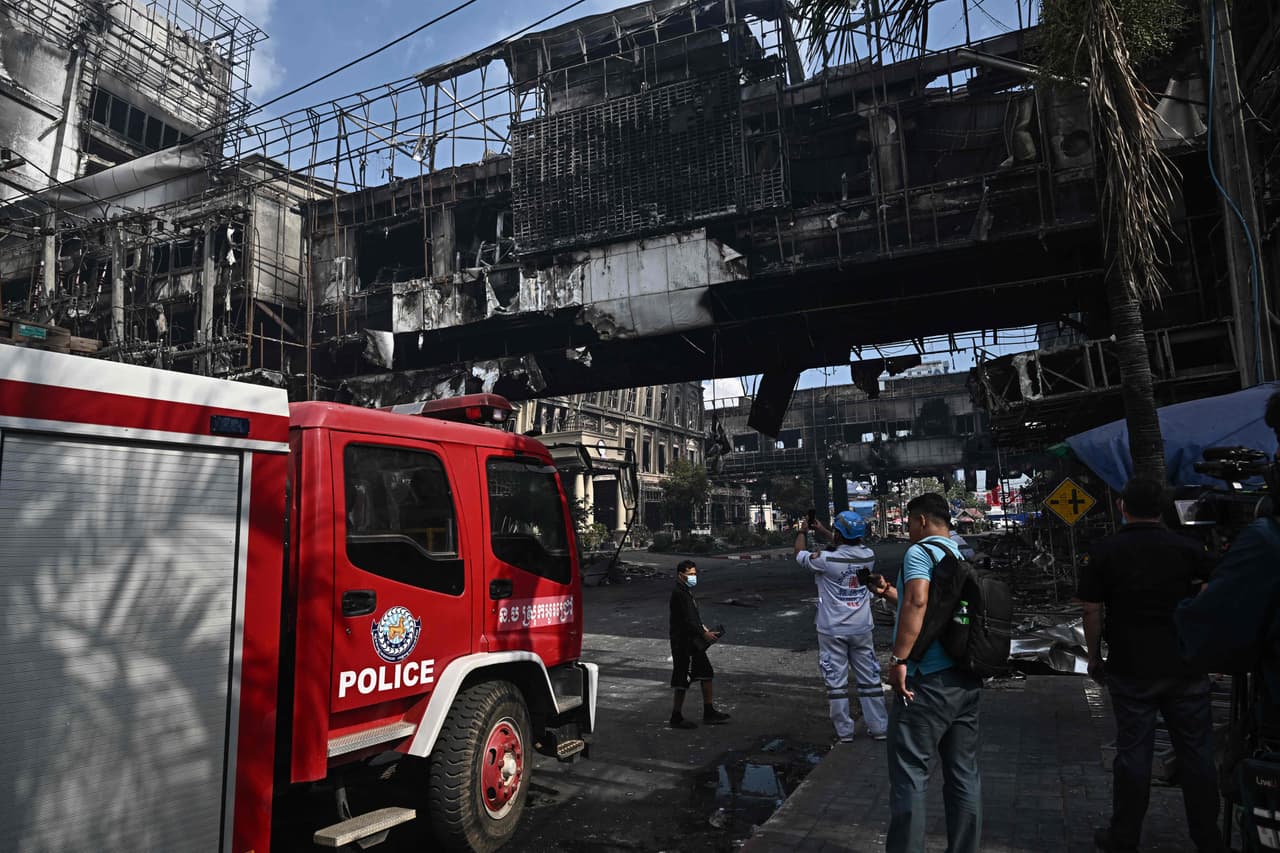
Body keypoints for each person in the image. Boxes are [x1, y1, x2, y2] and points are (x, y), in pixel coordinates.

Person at [1077, 477, 1223, 853]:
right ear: (1162, 509)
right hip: (1185, 664)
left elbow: (1091, 609)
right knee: (1197, 755)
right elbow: (1218, 587)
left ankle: (1124, 837)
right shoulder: (1188, 548)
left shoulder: (1106, 550)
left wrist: (1093, 656)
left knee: (1134, 755)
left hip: (1131, 666)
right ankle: (1208, 839)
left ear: (1123, 506)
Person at [868, 492, 981, 853]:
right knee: (963, 775)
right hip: (963, 679)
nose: (909, 532)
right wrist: (888, 593)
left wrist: (899, 660)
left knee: (910, 773)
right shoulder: (957, 553)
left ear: (920, 521)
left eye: (910, 524)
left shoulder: (920, 552)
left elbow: (919, 602)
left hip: (926, 681)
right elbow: (935, 608)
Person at [796, 511, 889, 742]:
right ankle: (879, 728)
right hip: (862, 628)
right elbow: (848, 544)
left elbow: (799, 553)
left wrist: (802, 530)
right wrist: (824, 530)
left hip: (832, 630)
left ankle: (845, 733)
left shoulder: (824, 560)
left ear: (838, 534)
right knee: (870, 679)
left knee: (836, 683)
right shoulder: (868, 555)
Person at [668, 559, 730, 729]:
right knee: (682, 679)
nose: (693, 577)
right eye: (690, 574)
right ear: (680, 575)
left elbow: (692, 617)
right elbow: (686, 620)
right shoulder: (679, 593)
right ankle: (676, 716)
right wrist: (704, 634)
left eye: (695, 574)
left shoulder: (685, 591)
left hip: (693, 641)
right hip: (684, 644)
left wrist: (702, 628)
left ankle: (709, 711)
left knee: (706, 673)